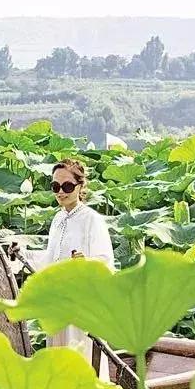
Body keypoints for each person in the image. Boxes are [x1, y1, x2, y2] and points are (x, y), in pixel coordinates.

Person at [8, 158, 115, 375]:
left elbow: (105, 262)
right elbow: (51, 261)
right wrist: (22, 253)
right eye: (55, 186)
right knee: (58, 363)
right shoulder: (58, 219)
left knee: (80, 360)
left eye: (67, 186)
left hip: (82, 304)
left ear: (80, 186)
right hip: (57, 304)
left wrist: (86, 263)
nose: (60, 192)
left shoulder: (92, 220)